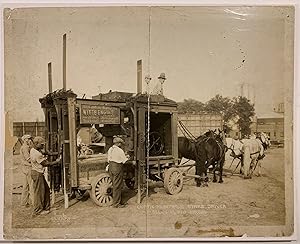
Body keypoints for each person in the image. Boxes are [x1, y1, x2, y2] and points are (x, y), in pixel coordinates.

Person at [30, 136, 61, 216]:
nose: (43, 146)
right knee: (39, 192)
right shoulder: (36, 153)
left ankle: (47, 208)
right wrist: (57, 161)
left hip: (37, 172)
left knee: (46, 190)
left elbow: (46, 153)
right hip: (37, 173)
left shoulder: (34, 149)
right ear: (36, 144)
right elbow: (46, 164)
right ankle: (38, 210)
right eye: (42, 144)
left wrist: (57, 153)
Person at [107, 136, 128, 208]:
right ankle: (116, 204)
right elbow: (124, 161)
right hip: (117, 168)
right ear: (118, 144)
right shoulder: (120, 150)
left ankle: (115, 201)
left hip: (111, 167)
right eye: (121, 144)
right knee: (117, 186)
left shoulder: (110, 149)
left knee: (114, 185)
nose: (121, 145)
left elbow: (108, 159)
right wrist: (128, 157)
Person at [20, 134, 33, 207]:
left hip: (25, 168)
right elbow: (28, 159)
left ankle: (23, 203)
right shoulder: (25, 148)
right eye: (28, 139)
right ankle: (35, 203)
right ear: (25, 140)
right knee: (31, 186)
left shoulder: (25, 147)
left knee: (25, 186)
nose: (30, 140)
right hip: (28, 168)